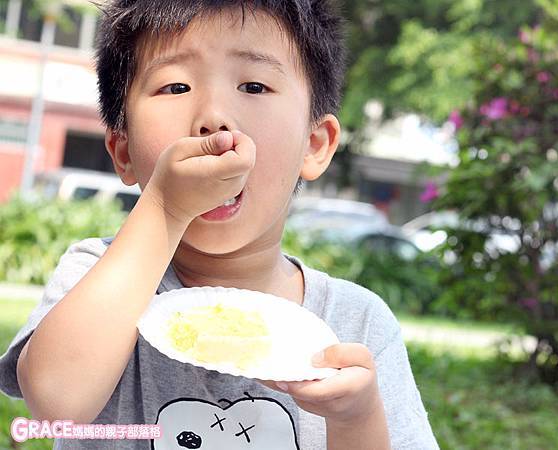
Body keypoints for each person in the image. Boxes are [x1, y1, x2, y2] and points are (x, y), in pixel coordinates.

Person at [0, 1, 439, 448]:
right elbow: (56, 402)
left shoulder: (356, 323)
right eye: (175, 86)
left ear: (314, 145)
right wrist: (166, 209)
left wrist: (356, 419)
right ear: (122, 150)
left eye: (253, 85)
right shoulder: (97, 275)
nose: (213, 117)